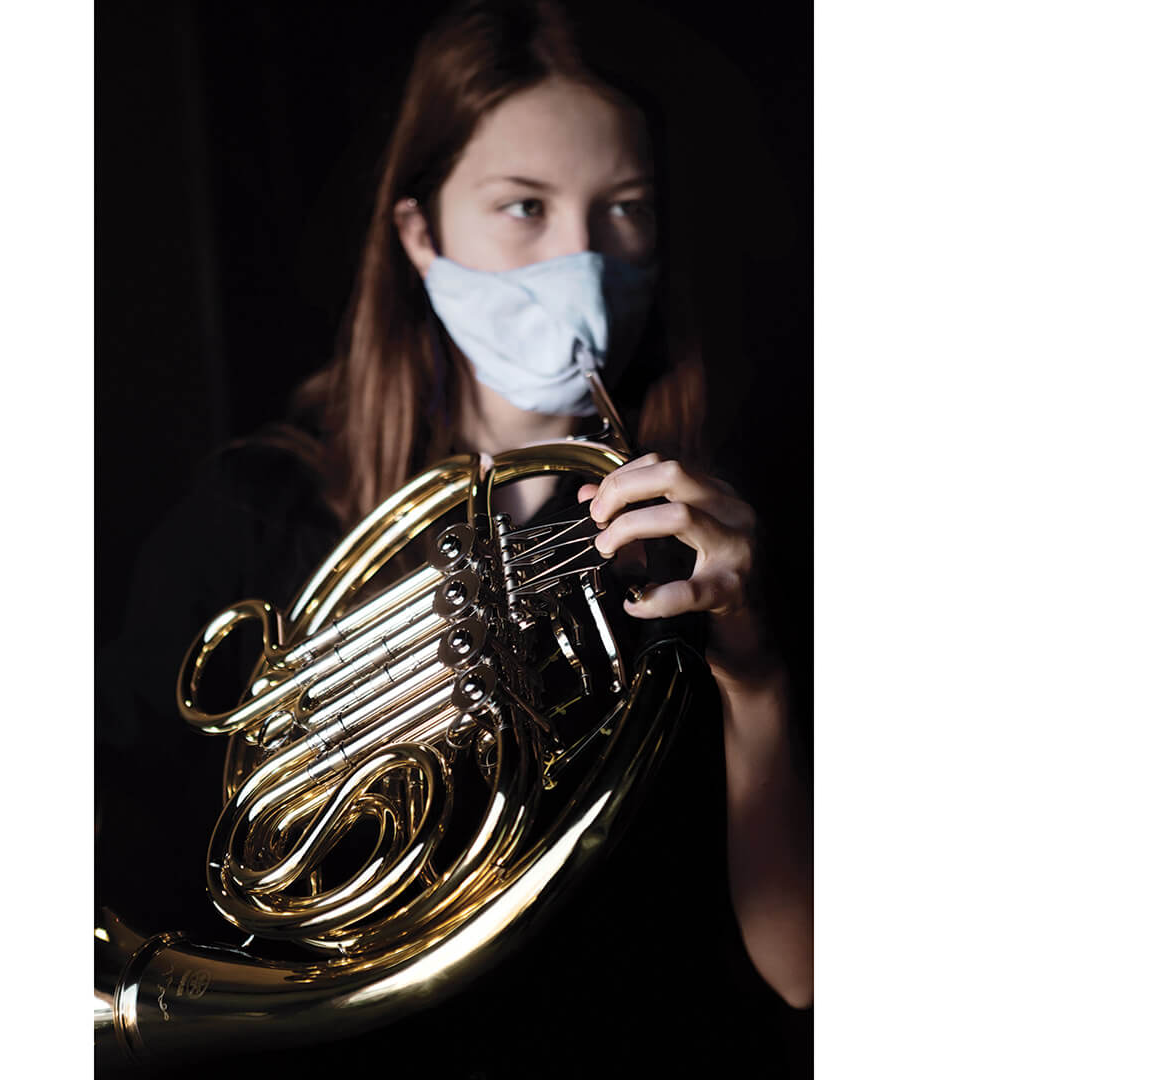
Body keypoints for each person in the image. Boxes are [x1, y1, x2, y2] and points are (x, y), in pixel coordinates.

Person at [99, 0, 810, 1072]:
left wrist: (754, 672)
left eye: (625, 211)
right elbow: (133, 847)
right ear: (421, 233)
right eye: (523, 207)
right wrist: (348, 739)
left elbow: (803, 971)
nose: (583, 260)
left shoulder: (737, 534)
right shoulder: (254, 515)